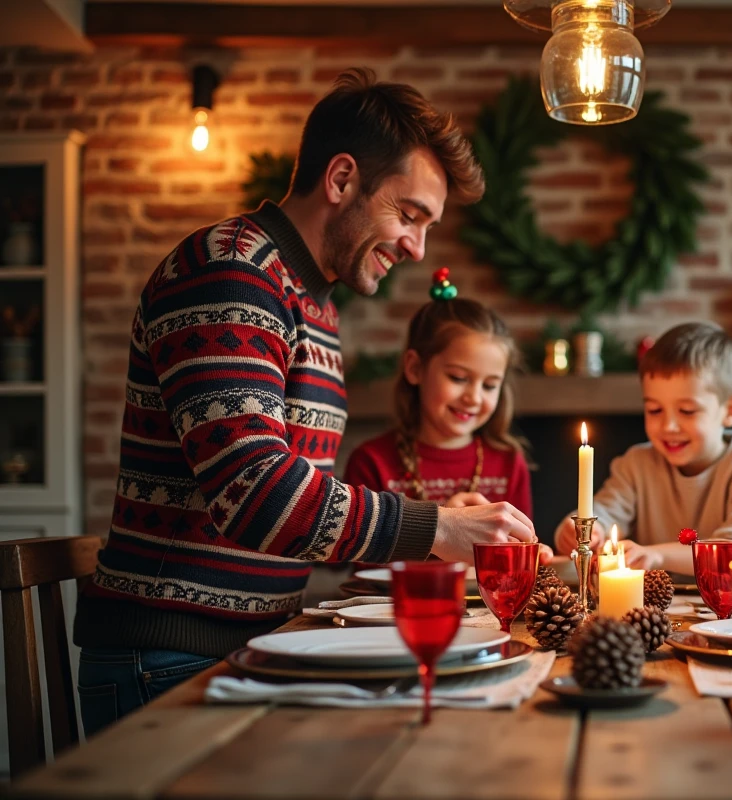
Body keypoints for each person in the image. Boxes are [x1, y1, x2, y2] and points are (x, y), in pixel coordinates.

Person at [73, 68, 538, 734]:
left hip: (255, 643)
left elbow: (302, 511)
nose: (417, 247)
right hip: (173, 657)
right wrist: (437, 527)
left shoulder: (310, 300)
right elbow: (256, 494)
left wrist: (440, 526)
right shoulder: (231, 271)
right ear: (341, 179)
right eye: (409, 215)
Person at [553, 322, 732, 573]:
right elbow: (605, 511)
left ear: (731, 410)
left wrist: (657, 555)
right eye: (654, 410)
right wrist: (582, 532)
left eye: (687, 411)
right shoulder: (635, 465)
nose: (668, 426)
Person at [343, 271, 534, 521]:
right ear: (415, 368)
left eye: (489, 385)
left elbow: (522, 542)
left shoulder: (509, 463)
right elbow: (363, 547)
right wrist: (446, 526)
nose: (474, 398)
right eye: (458, 378)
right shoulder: (371, 463)